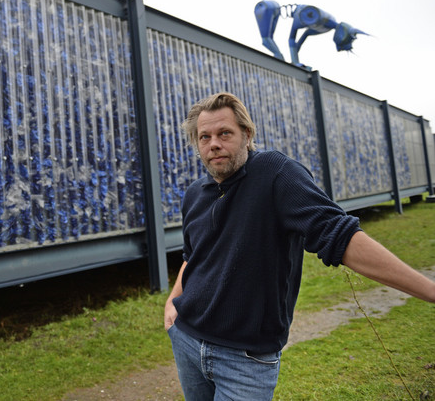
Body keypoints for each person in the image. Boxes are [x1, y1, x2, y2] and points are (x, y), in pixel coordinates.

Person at [163, 92, 435, 400]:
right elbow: (192, 256)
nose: (214, 144)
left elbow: (339, 235)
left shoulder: (276, 173)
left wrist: (430, 291)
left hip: (245, 361)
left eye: (225, 133)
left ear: (247, 134)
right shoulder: (194, 195)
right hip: (187, 339)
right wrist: (172, 301)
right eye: (204, 137)